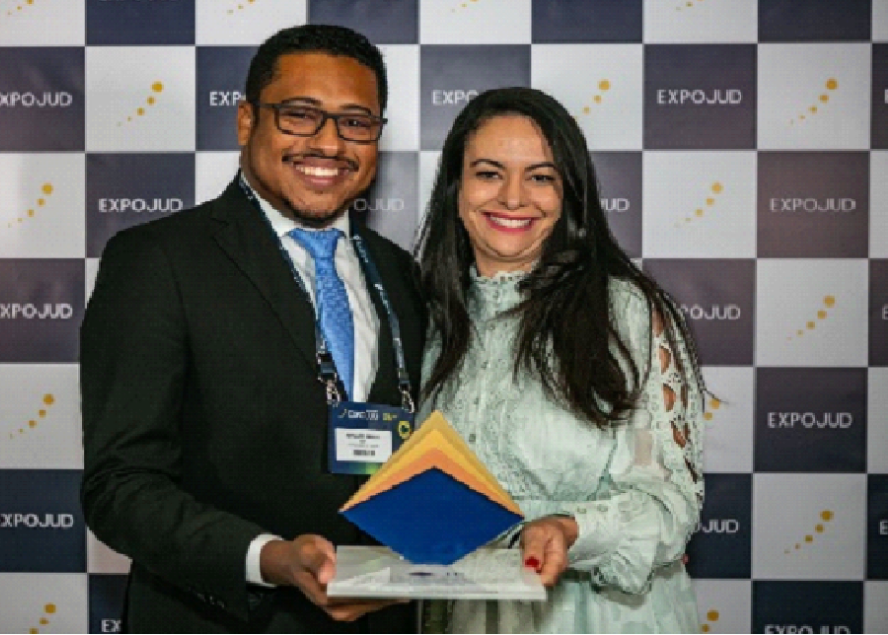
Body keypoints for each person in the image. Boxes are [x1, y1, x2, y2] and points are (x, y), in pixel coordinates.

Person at [81, 24, 425, 633]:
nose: (329, 143)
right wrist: (268, 557)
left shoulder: (399, 273)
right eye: (299, 116)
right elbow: (120, 487)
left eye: (356, 122)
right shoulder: (159, 259)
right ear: (246, 122)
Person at [414, 87, 706, 633]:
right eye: (488, 173)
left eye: (541, 176)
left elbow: (673, 506)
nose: (513, 197)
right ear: (456, 186)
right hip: (462, 614)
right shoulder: (426, 315)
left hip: (595, 617)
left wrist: (571, 529)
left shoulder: (627, 311)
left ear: (569, 192)